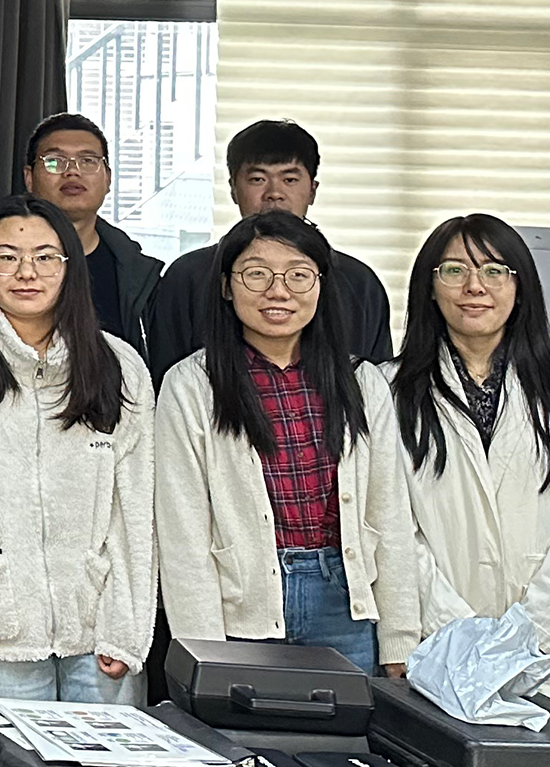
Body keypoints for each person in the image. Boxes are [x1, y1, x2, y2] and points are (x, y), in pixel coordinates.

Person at [153, 211, 418, 676]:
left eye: (298, 275)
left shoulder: (362, 382)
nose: (278, 291)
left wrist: (400, 638)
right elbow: (184, 532)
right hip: (240, 607)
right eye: (257, 274)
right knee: (241, 726)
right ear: (227, 286)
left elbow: (389, 513)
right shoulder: (191, 384)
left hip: (344, 603)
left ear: (320, 285)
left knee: (347, 725)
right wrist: (201, 649)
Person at [393, 215, 550, 714]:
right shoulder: (389, 389)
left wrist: (528, 635)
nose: (474, 286)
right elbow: (393, 530)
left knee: (549, 762)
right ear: (429, 286)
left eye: (495, 270)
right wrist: (463, 636)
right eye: (454, 270)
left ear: (520, 287)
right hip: (438, 647)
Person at [0, 197, 156, 705]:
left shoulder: (118, 364)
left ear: (69, 266)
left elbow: (135, 509)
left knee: (107, 758)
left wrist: (126, 627)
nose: (26, 272)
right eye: (7, 257)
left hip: (97, 626)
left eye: (44, 257)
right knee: (5, 758)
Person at [145, 121, 395, 375]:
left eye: (290, 179)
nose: (274, 193)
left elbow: (375, 385)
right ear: (233, 189)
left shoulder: (359, 283)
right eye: (258, 179)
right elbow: (166, 380)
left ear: (312, 190)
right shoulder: (187, 276)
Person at [22, 113, 159, 356]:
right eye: (55, 161)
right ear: (29, 178)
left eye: (87, 161)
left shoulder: (139, 275)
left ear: (108, 178)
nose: (72, 171)